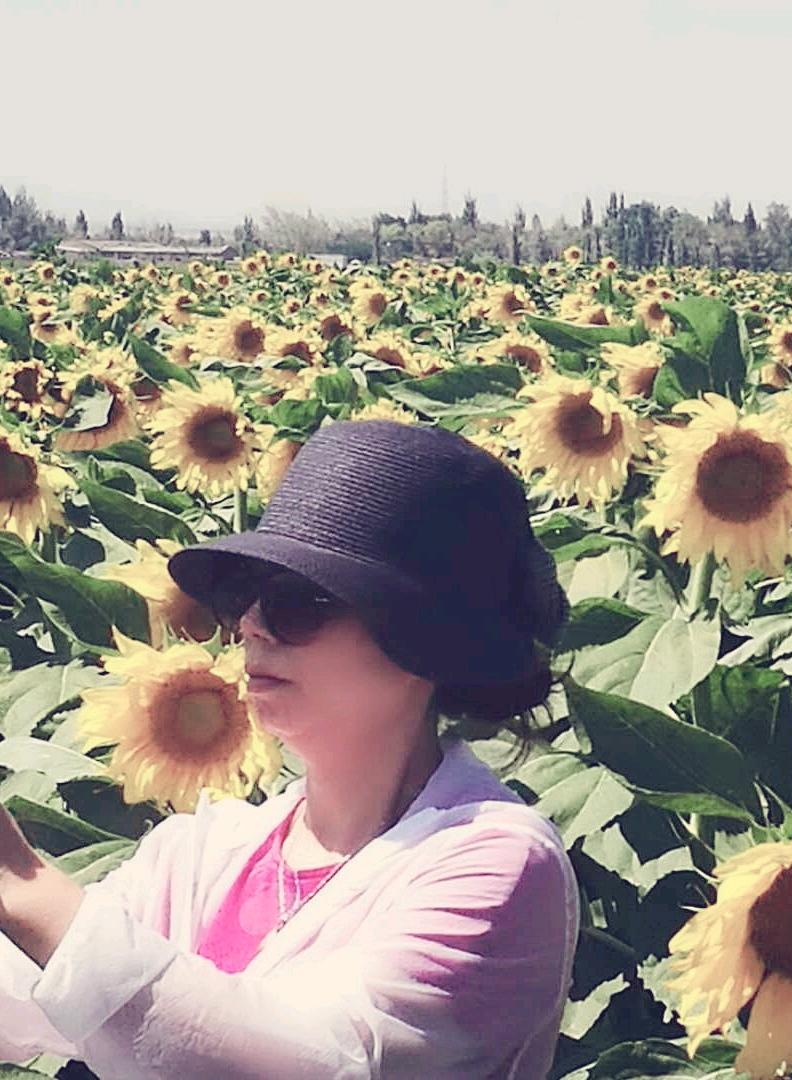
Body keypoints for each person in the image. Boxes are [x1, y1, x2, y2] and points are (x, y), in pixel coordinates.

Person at [0, 419, 580, 1078]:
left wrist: (20, 882)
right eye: (245, 597)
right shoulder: (202, 854)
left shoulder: (495, 861)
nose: (250, 625)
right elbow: (27, 995)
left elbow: (315, 1062)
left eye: (298, 602)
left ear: (424, 638)